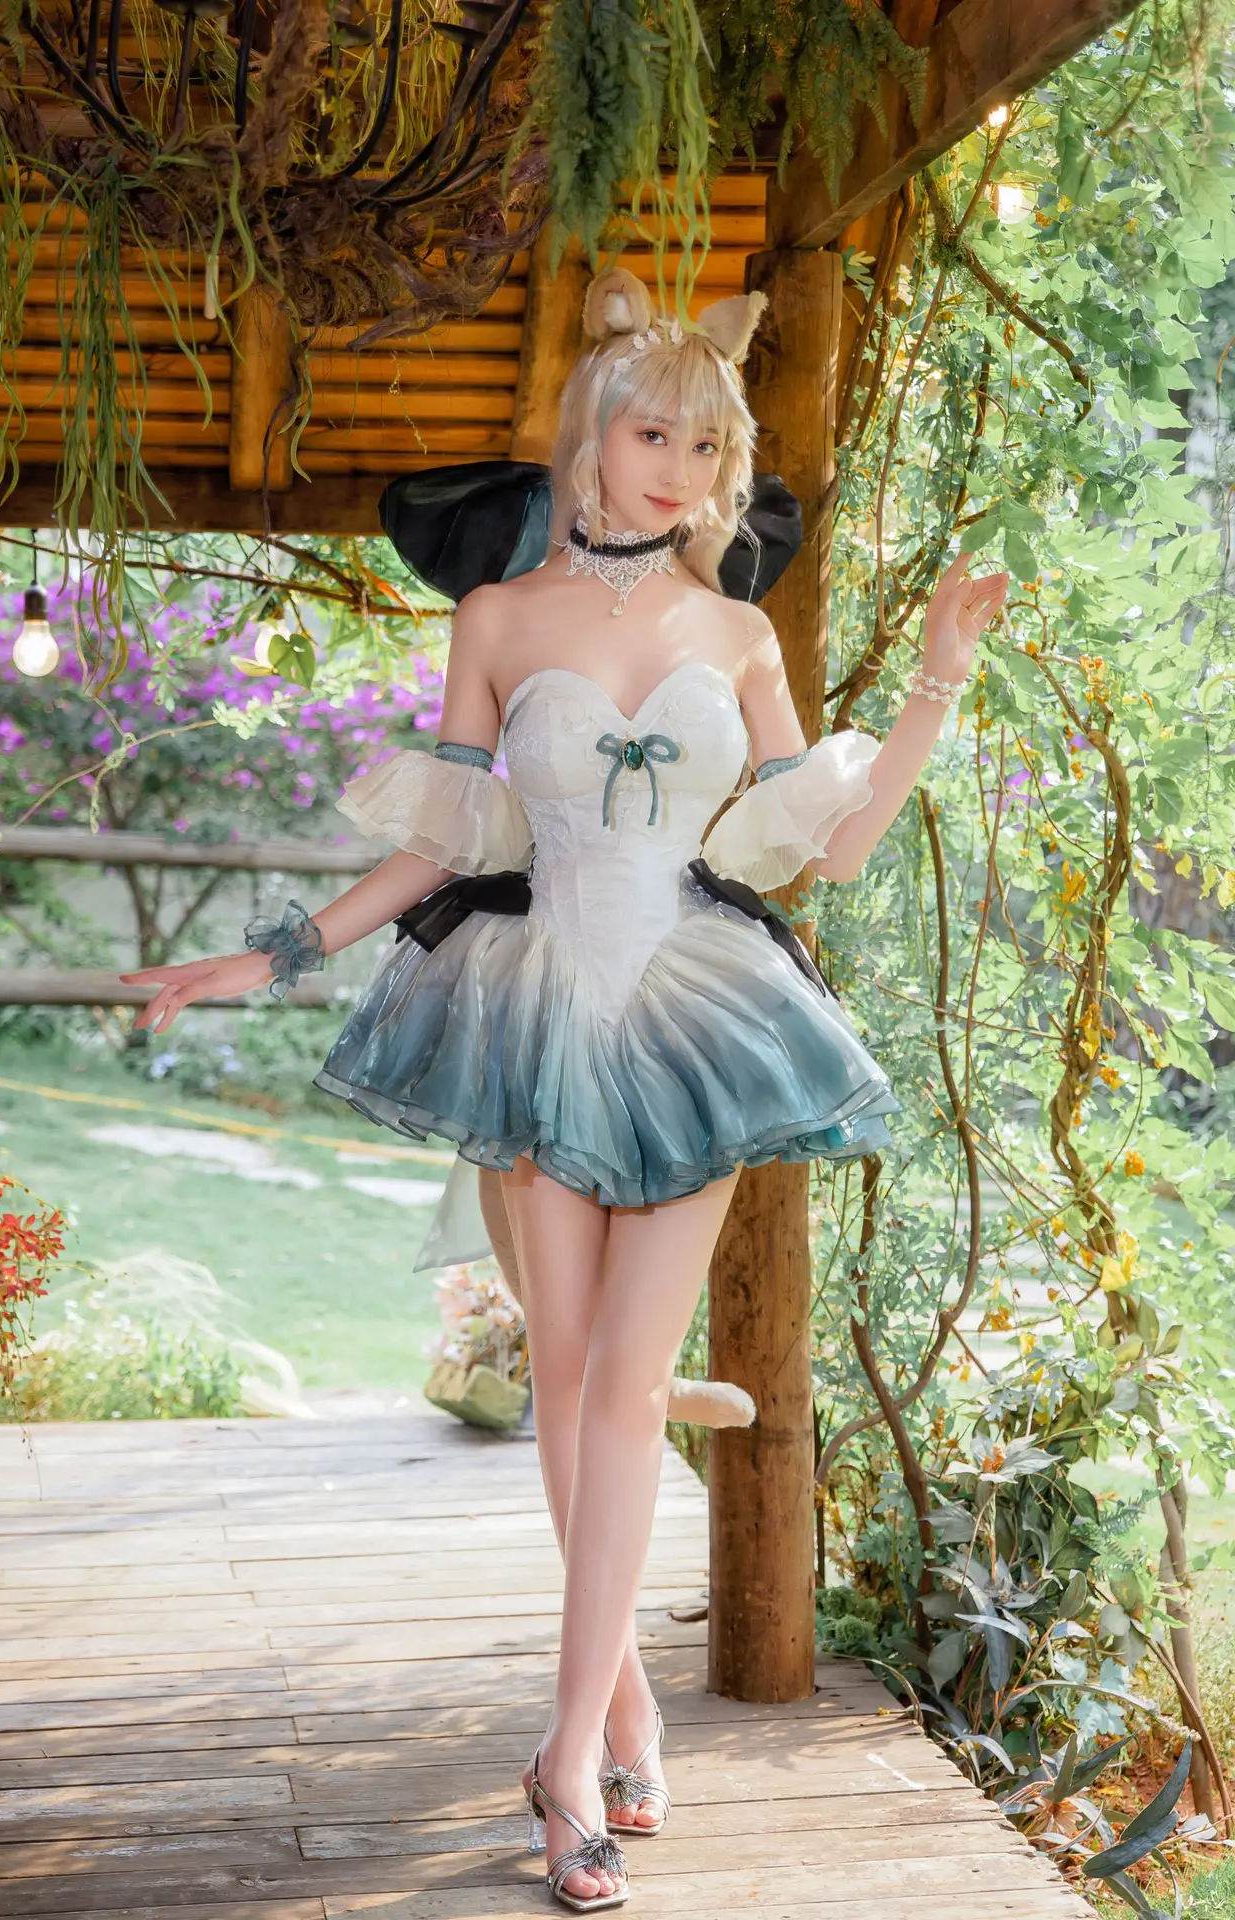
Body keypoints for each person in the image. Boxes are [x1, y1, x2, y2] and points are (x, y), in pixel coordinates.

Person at [121, 263, 1008, 1914]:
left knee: (623, 1391)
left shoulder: (737, 629)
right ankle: (622, 1709)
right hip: (531, 1000)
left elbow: (821, 849)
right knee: (573, 1381)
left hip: (696, 1005)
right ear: (592, 434)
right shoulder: (498, 618)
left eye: (706, 444)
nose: (678, 467)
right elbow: (441, 844)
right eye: (652, 432)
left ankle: (565, 1755)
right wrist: (267, 954)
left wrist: (939, 682)